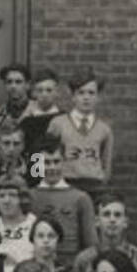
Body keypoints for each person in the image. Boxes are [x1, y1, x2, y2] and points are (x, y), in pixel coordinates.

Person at [44, 71, 113, 199]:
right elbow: (44, 155)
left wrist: (102, 182)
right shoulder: (58, 123)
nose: (86, 97)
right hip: (66, 184)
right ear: (73, 96)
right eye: (81, 93)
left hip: (94, 187)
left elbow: (106, 164)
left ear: (98, 97)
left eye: (91, 93)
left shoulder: (104, 129)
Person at [30, 141, 95, 267]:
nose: (52, 167)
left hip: (70, 267)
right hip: (35, 269)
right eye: (46, 163)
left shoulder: (81, 198)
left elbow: (90, 245)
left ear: (64, 162)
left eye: (56, 161)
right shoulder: (30, 197)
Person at [0, 173, 38, 263]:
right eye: (1, 196)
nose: (6, 201)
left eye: (12, 195)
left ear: (23, 198)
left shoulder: (35, 224)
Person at [21, 68, 63, 153]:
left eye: (49, 90)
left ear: (57, 93)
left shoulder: (63, 119)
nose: (44, 95)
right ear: (34, 93)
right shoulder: (27, 122)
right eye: (40, 90)